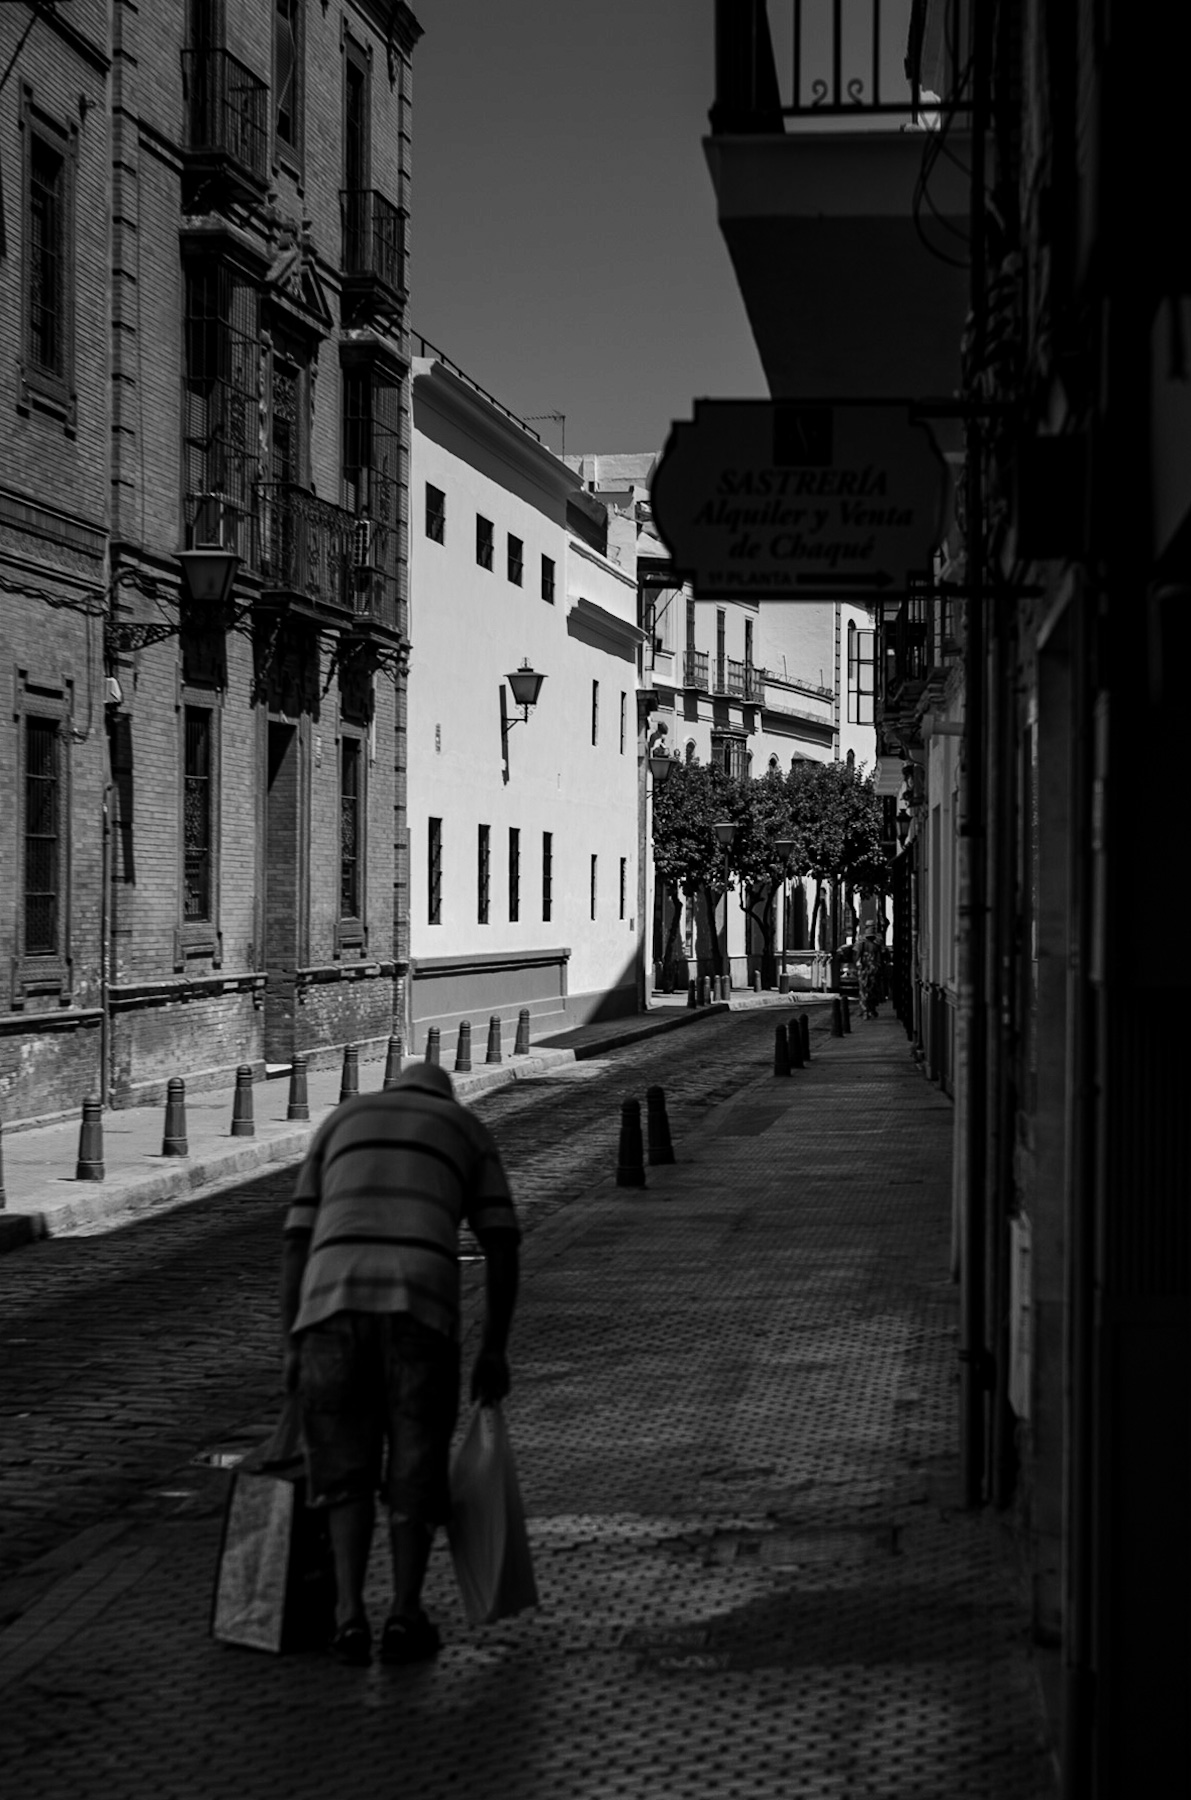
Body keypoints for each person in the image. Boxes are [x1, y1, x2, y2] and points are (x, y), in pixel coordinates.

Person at [280, 1060, 520, 1668]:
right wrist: (493, 1348)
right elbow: (501, 1241)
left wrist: (292, 1343)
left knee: (344, 1473)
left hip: (329, 1309)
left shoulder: (342, 1119)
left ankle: (348, 1616)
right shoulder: (464, 1126)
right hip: (420, 1309)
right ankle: (404, 1614)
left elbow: (296, 1240)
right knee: (416, 1464)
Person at [857, 926, 885, 1019]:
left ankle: (865, 1010)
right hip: (873, 971)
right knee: (872, 991)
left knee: (863, 991)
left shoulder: (861, 945)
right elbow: (880, 960)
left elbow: (857, 957)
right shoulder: (876, 946)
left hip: (863, 971)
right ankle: (871, 1010)